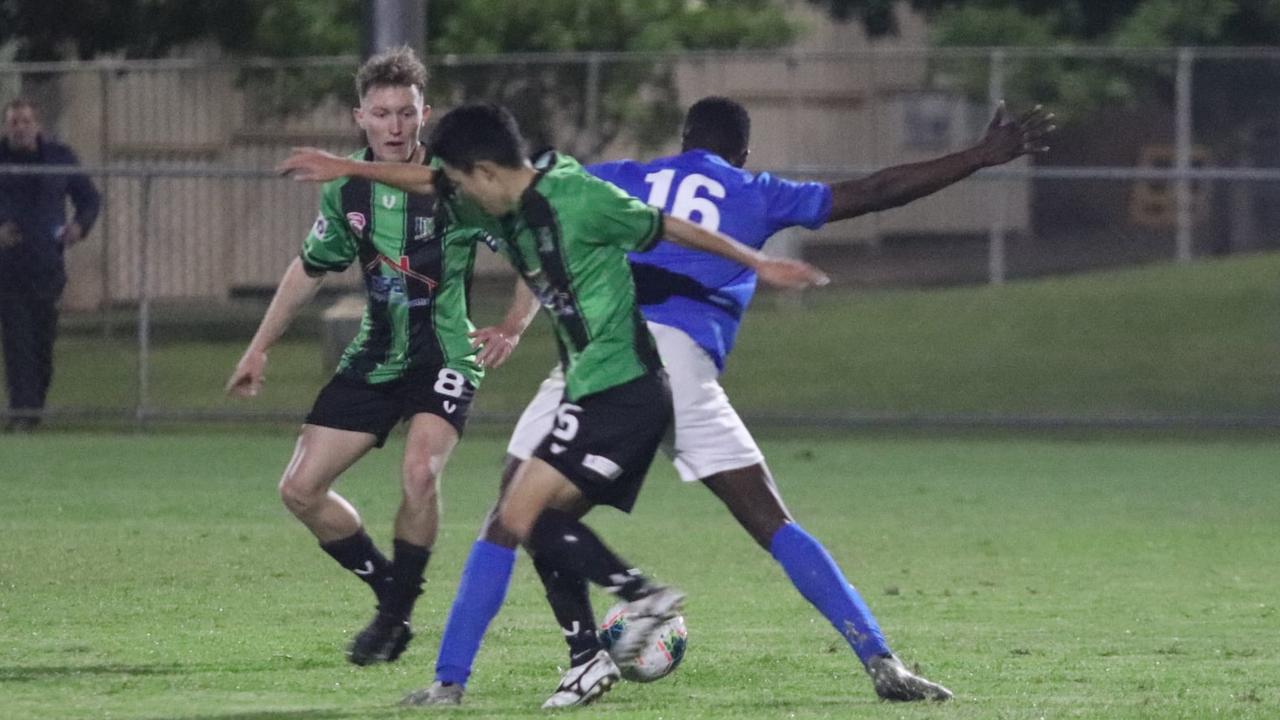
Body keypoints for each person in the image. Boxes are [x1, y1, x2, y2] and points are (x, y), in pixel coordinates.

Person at [404, 96, 1056, 706]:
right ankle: (883, 663)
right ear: (741, 155)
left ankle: (458, 681)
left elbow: (537, 216)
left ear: (682, 142)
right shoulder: (754, 191)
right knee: (773, 521)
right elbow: (876, 191)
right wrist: (978, 155)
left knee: (513, 514)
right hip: (679, 367)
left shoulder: (625, 176)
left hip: (600, 353)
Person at [278, 102, 829, 709]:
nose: (451, 192)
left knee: (525, 515)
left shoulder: (577, 197)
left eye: (458, 181)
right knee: (523, 514)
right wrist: (338, 165)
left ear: (483, 171)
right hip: (590, 388)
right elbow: (427, 179)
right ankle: (571, 653)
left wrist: (757, 262)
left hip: (625, 388)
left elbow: (669, 225)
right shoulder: (494, 195)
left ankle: (632, 599)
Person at [226, 48, 538, 667]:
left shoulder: (456, 183)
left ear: (427, 115)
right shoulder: (346, 190)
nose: (395, 126)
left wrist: (513, 324)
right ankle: (388, 587)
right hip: (376, 355)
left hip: (446, 353)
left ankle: (394, 618)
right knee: (300, 490)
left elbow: (532, 245)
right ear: (359, 118)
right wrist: (259, 347)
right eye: (382, 113)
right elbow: (307, 270)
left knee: (420, 473)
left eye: (406, 112)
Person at [0, 97, 101, 432]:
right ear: (6, 126)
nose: (20, 128)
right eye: (14, 122)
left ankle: (34, 409)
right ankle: (21, 415)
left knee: (42, 343)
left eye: (26, 121)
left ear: (37, 124)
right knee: (18, 343)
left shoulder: (59, 157)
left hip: (47, 265)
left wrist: (79, 227)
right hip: (9, 268)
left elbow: (89, 198)